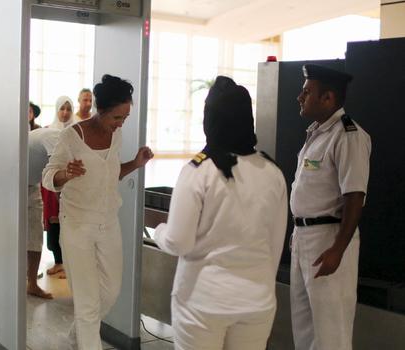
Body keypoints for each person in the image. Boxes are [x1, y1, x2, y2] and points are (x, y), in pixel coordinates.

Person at [153, 76, 288, 350]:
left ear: (210, 120)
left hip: (202, 301)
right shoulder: (272, 173)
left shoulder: (198, 171)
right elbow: (275, 246)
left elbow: (179, 241)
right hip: (257, 301)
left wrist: (159, 231)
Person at [42, 74, 154, 349]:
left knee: (111, 289)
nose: (121, 123)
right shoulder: (72, 136)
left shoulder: (115, 134)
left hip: (108, 221)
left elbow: (110, 174)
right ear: (100, 110)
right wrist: (65, 175)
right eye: (117, 117)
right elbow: (48, 175)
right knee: (88, 300)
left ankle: (78, 334)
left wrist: (136, 164)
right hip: (77, 224)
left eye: (125, 117)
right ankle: (87, 340)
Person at [290, 64, 371, 350]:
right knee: (304, 327)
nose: (300, 97)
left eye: (307, 92)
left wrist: (338, 249)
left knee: (330, 331)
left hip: (329, 238)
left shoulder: (348, 135)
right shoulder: (317, 133)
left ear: (328, 98)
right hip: (303, 237)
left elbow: (354, 196)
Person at [27, 126, 61, 299]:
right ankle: (10, 280)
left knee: (35, 235)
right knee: (10, 237)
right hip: (10, 182)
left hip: (31, 185)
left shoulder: (63, 141)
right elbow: (55, 178)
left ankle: (31, 283)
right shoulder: (55, 137)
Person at [43, 96, 74, 278]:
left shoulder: (76, 131)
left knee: (68, 224)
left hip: (70, 183)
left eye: (68, 109)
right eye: (62, 109)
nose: (65, 113)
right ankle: (59, 262)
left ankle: (69, 265)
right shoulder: (49, 130)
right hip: (52, 183)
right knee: (54, 222)